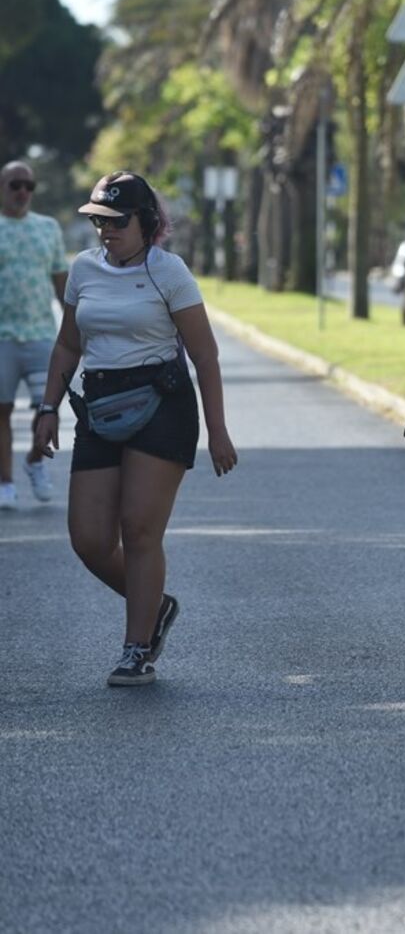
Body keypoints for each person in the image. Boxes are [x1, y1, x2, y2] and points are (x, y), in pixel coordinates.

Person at [33, 171, 238, 687]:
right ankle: (156, 605)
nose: (106, 230)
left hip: (162, 405)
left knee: (140, 530)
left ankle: (136, 648)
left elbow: (205, 355)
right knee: (88, 538)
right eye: (98, 220)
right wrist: (47, 407)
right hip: (101, 407)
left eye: (116, 221)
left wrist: (217, 430)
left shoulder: (169, 273)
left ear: (147, 223)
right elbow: (67, 346)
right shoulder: (83, 269)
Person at [0, 160, 68, 509]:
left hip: (42, 334)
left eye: (29, 185)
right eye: (15, 185)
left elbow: (61, 280)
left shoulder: (48, 228)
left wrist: (76, 328)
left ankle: (34, 462)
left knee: (48, 409)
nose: (23, 192)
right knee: (2, 410)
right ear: (2, 188)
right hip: (2, 338)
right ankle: (5, 482)